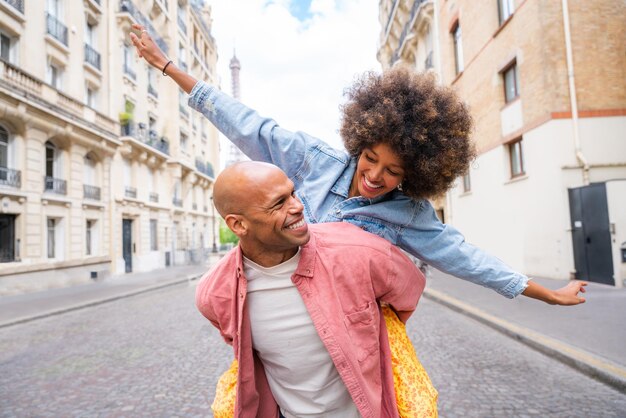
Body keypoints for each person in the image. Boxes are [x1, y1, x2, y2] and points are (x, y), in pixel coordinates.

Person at [129, 24, 587, 306]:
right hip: (280, 314)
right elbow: (249, 125)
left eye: (393, 171)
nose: (374, 176)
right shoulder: (314, 159)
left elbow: (468, 259)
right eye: (371, 158)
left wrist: (543, 292)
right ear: (359, 141)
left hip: (347, 329)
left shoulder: (409, 214)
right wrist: (168, 66)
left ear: (415, 174)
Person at [197, 161, 426, 417]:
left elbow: (408, 290)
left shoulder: (361, 250)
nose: (298, 207)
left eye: (292, 194)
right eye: (279, 203)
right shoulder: (214, 293)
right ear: (238, 225)